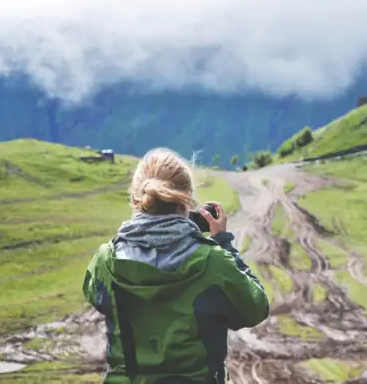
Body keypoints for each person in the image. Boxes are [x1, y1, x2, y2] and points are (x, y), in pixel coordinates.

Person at [82, 147, 269, 384]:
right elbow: (255, 309)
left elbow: (96, 297)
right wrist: (224, 243)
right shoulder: (213, 260)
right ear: (187, 202)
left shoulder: (105, 261)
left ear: (135, 200)